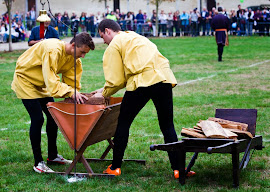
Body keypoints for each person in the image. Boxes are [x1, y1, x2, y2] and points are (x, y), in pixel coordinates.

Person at [93, 19, 195, 179]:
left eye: (102, 37)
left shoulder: (114, 44)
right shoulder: (135, 36)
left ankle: (115, 167)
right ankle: (178, 170)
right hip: (164, 78)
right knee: (167, 125)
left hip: (142, 82)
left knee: (123, 123)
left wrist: (104, 93)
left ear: (107, 31)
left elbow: (116, 81)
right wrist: (104, 89)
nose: (104, 42)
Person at [11, 32, 95, 173]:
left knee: (52, 117)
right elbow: (52, 83)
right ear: (73, 45)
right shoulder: (53, 50)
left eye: (85, 53)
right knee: (38, 119)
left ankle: (52, 156)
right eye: (82, 52)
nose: (83, 56)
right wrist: (70, 92)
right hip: (25, 80)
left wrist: (72, 93)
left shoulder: (74, 59)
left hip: (42, 83)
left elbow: (71, 82)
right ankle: (38, 162)